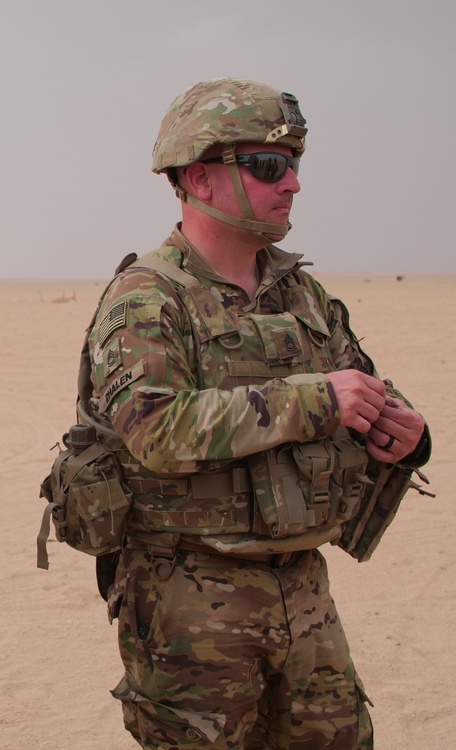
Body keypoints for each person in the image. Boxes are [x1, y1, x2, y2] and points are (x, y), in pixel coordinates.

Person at [52, 78, 431, 748]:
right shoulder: (148, 297)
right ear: (200, 178)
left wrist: (401, 432)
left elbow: (361, 388)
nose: (291, 185)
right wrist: (317, 400)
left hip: (304, 586)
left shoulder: (300, 292)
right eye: (267, 167)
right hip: (190, 597)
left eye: (293, 167)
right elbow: (157, 432)